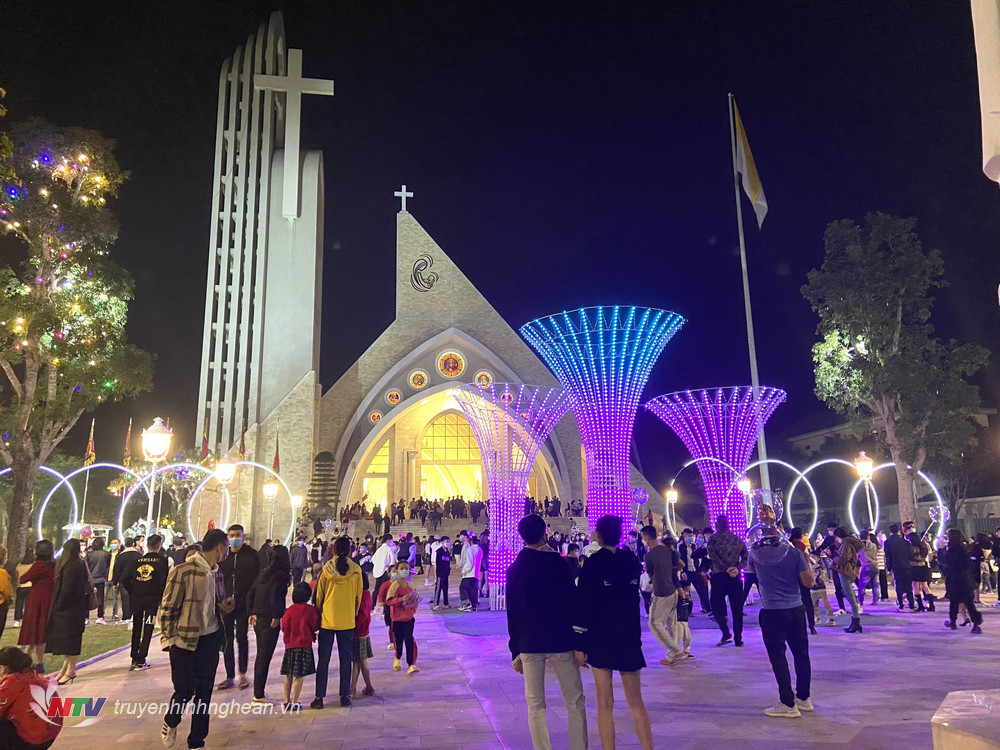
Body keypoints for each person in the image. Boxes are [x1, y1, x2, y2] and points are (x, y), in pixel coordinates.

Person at [507, 514, 587, 750]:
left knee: (535, 704)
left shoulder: (515, 568)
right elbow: (572, 603)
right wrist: (579, 642)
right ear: (545, 533)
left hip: (530, 641)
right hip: (560, 639)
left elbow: (513, 612)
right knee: (574, 700)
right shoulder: (558, 564)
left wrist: (515, 650)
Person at [575, 516, 653, 750]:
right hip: (628, 636)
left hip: (601, 636)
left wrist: (580, 643)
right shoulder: (630, 560)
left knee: (604, 702)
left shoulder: (593, 563)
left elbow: (583, 603)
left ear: (599, 535)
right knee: (636, 702)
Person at [158, 528, 232, 750]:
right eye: (227, 547)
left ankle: (197, 741)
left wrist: (224, 607)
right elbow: (167, 608)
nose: (228, 551)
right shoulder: (183, 571)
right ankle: (171, 720)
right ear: (220, 547)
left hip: (210, 639)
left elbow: (214, 603)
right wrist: (171, 638)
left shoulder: (217, 573)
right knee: (185, 689)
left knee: (204, 693)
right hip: (184, 641)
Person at [749, 526, 815, 718]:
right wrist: (806, 561)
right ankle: (804, 698)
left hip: (771, 611)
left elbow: (751, 571)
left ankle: (787, 703)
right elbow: (808, 582)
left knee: (778, 658)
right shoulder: (794, 553)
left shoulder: (755, 554)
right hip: (795, 609)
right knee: (801, 655)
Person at [313, 536, 362, 709]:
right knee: (345, 660)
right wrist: (353, 613)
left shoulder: (326, 569)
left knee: (323, 661)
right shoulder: (356, 570)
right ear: (349, 550)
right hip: (347, 621)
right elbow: (358, 597)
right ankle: (344, 696)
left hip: (328, 620)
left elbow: (319, 596)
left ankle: (319, 697)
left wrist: (319, 612)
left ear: (333, 550)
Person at [217, 524, 260, 691]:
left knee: (242, 638)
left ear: (242, 536)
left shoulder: (251, 555)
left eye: (237, 535)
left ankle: (242, 673)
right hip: (226, 604)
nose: (234, 538)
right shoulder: (224, 556)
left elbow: (256, 579)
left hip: (243, 603)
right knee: (227, 640)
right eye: (232, 535)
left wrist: (252, 603)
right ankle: (230, 675)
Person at [247, 544, 290, 703]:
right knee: (264, 656)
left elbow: (250, 593)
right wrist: (277, 615)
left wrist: (252, 612)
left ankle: (259, 692)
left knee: (261, 655)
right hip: (269, 618)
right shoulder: (280, 575)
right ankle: (258, 695)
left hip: (259, 617)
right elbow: (275, 595)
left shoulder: (264, 573)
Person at [45, 539, 90, 685]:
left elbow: (67, 589)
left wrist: (59, 605)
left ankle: (70, 671)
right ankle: (65, 670)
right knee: (69, 641)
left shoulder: (72, 565)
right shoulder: (77, 564)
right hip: (74, 608)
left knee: (71, 641)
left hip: (70, 610)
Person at [121, 533, 169, 670]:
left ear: (147, 545)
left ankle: (134, 656)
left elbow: (125, 578)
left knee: (137, 626)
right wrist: (160, 597)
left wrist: (133, 590)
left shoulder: (137, 561)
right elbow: (163, 581)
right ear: (159, 545)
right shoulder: (162, 561)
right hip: (151, 600)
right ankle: (141, 658)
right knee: (148, 627)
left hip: (137, 598)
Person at [0, 646, 61, 749]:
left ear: (2, 668)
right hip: (50, 735)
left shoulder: (13, 682)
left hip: (33, 739)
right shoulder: (35, 676)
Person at [641, 526, 685, 667]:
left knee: (655, 623)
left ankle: (675, 651)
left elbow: (650, 574)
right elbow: (679, 565)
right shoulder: (667, 550)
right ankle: (672, 655)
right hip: (672, 589)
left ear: (647, 537)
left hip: (661, 591)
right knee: (671, 623)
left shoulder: (649, 556)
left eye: (643, 537)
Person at [706, 515, 748, 646]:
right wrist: (737, 567)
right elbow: (746, 555)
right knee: (737, 609)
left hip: (719, 576)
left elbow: (713, 557)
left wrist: (726, 568)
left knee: (715, 605)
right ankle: (738, 638)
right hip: (735, 576)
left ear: (717, 524)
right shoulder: (736, 539)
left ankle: (725, 631)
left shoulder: (713, 539)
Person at [18, 541, 55, 673]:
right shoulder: (53, 565)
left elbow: (23, 579)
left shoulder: (39, 565)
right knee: (40, 632)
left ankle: (38, 663)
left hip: (37, 600)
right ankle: (29, 660)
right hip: (49, 600)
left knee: (36, 632)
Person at [281, 582, 319, 711]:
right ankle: (294, 702)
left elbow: (283, 627)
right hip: (303, 645)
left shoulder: (288, 611)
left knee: (288, 674)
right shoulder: (310, 610)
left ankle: (286, 701)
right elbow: (315, 625)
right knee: (299, 675)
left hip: (289, 646)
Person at [942, 529, 983, 633]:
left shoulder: (951, 550)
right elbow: (969, 564)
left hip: (955, 580)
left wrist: (941, 549)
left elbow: (944, 561)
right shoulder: (964, 548)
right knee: (969, 603)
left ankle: (953, 622)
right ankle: (976, 624)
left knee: (954, 603)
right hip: (965, 580)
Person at [385, 561, 420, 674]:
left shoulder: (410, 586)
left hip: (409, 619)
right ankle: (397, 658)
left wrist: (412, 611)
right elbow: (389, 601)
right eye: (402, 568)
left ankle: (411, 664)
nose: (404, 571)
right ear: (397, 570)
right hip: (397, 619)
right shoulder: (394, 586)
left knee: (409, 640)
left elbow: (415, 601)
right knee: (399, 640)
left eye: (406, 568)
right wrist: (400, 600)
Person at [832, 528, 865, 633]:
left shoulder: (846, 545)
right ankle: (855, 622)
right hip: (846, 571)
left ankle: (856, 621)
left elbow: (843, 559)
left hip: (845, 572)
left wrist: (834, 559)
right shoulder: (847, 543)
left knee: (850, 597)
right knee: (850, 596)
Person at [350, 573, 375, 697]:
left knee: (356, 663)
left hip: (358, 633)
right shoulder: (367, 594)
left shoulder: (361, 596)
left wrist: (352, 624)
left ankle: (352, 689)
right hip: (364, 632)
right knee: (362, 662)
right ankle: (368, 686)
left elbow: (362, 614)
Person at [884, 524, 915, 611]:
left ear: (890, 532)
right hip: (906, 566)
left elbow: (888, 556)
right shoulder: (905, 542)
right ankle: (911, 606)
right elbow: (910, 555)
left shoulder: (887, 542)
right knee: (908, 587)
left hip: (896, 567)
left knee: (899, 586)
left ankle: (901, 606)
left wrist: (889, 568)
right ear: (898, 531)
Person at [112, 536, 141, 623]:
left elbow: (117, 569)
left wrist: (115, 582)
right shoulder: (138, 555)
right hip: (136, 579)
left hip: (123, 580)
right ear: (133, 544)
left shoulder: (121, 556)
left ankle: (126, 616)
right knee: (134, 598)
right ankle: (133, 615)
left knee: (125, 599)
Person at [84, 538, 111, 625]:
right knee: (100, 598)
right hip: (101, 578)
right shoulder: (106, 554)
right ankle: (100, 616)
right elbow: (108, 566)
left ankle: (86, 617)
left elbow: (86, 566)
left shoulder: (89, 555)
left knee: (88, 597)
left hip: (90, 579)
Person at [908, 532, 934, 611]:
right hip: (923, 566)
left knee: (915, 586)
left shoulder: (912, 547)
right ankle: (931, 605)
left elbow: (910, 557)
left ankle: (920, 605)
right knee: (925, 586)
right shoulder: (923, 546)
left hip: (914, 567)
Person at [809, 554, 836, 626]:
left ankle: (831, 618)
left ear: (818, 558)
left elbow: (822, 576)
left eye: (813, 557)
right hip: (813, 589)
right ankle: (817, 618)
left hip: (821, 588)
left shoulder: (820, 568)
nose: (811, 558)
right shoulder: (809, 567)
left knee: (826, 604)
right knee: (814, 605)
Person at [459, 534, 483, 612]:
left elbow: (470, 562)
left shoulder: (470, 549)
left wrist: (464, 571)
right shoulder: (479, 549)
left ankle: (465, 604)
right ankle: (474, 605)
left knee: (463, 587)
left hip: (469, 573)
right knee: (473, 589)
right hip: (476, 573)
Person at [13, 550, 33, 628]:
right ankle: (27, 619)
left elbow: (16, 575)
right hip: (30, 585)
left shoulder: (19, 565)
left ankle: (17, 620)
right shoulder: (32, 565)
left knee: (19, 604)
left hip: (20, 586)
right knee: (28, 604)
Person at [433, 536, 452, 610]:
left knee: (445, 588)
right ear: (442, 542)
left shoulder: (447, 551)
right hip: (440, 573)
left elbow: (448, 562)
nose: (448, 543)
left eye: (448, 542)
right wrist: (438, 573)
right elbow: (438, 563)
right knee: (438, 588)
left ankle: (446, 603)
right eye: (446, 542)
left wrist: (448, 570)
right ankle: (435, 604)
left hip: (446, 573)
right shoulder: (439, 551)